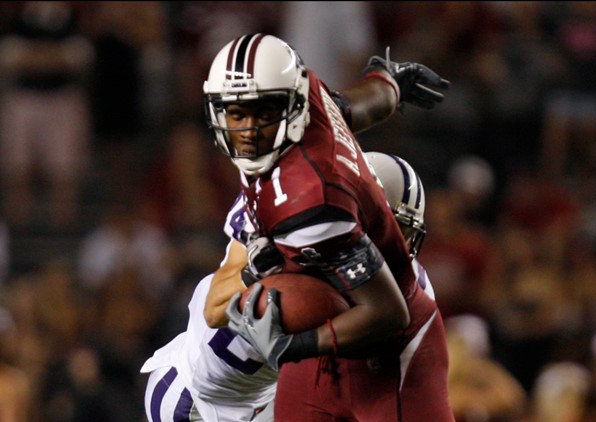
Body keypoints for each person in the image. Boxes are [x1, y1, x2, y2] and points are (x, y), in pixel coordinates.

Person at [203, 33, 453, 421]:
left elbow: (390, 313)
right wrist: (387, 81)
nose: (248, 131)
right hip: (320, 340)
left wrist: (296, 346)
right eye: (236, 113)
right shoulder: (304, 100)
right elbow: (354, 106)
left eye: (263, 112)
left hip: (387, 353)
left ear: (291, 105)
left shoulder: (312, 202)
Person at [142, 150, 437, 421]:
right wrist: (256, 270)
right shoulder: (289, 223)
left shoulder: (408, 290)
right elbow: (216, 308)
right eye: (381, 229)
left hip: (270, 402)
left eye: (403, 232)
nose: (392, 246)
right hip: (198, 401)